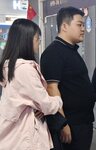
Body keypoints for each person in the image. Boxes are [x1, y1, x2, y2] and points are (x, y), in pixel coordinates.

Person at [0, 19, 63, 150]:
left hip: (13, 134)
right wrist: (58, 100)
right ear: (26, 40)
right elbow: (46, 104)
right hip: (26, 136)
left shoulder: (9, 66)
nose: (39, 42)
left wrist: (37, 106)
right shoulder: (25, 69)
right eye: (37, 38)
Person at [40, 7, 95, 150]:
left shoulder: (71, 50)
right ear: (64, 26)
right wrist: (62, 124)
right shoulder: (53, 52)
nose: (83, 28)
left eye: (83, 25)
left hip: (82, 122)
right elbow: (52, 88)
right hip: (70, 124)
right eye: (79, 24)